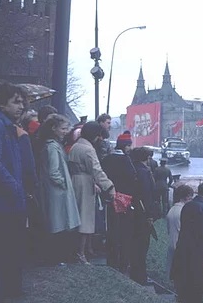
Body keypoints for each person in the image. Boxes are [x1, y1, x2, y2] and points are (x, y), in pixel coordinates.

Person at [0, 82, 36, 302]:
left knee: (9, 254)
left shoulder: (7, 126)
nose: (20, 106)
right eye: (15, 102)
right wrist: (14, 186)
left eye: (22, 102)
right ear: (2, 103)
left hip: (8, 203)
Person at [67, 121, 115, 264]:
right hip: (85, 183)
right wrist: (109, 186)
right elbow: (96, 170)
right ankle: (81, 254)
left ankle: (79, 251)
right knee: (85, 219)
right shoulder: (88, 149)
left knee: (77, 218)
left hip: (75, 181)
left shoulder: (76, 146)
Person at [36, 113, 80, 265]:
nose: (66, 131)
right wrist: (64, 184)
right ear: (53, 129)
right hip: (58, 192)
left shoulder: (50, 146)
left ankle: (56, 258)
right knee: (58, 224)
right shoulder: (52, 147)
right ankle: (56, 258)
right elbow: (53, 172)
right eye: (63, 128)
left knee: (57, 223)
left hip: (55, 190)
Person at [171, 181, 203, 303]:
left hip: (184, 246)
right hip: (198, 250)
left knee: (185, 278)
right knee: (196, 281)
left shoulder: (188, 205)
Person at [101, 131, 138, 273]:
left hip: (111, 197)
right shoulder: (126, 160)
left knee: (112, 229)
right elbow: (132, 178)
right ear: (125, 146)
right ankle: (122, 262)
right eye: (129, 145)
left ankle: (112, 260)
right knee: (124, 232)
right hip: (124, 200)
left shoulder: (108, 158)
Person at [129, 147, 157, 285]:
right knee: (142, 245)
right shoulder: (144, 172)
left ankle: (135, 271)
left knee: (134, 242)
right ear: (146, 158)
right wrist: (150, 215)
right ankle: (140, 275)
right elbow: (147, 194)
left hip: (133, 210)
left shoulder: (131, 168)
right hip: (142, 212)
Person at [166, 184, 193, 277]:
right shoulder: (183, 211)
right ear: (186, 197)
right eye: (190, 197)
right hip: (180, 245)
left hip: (172, 242)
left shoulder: (172, 209)